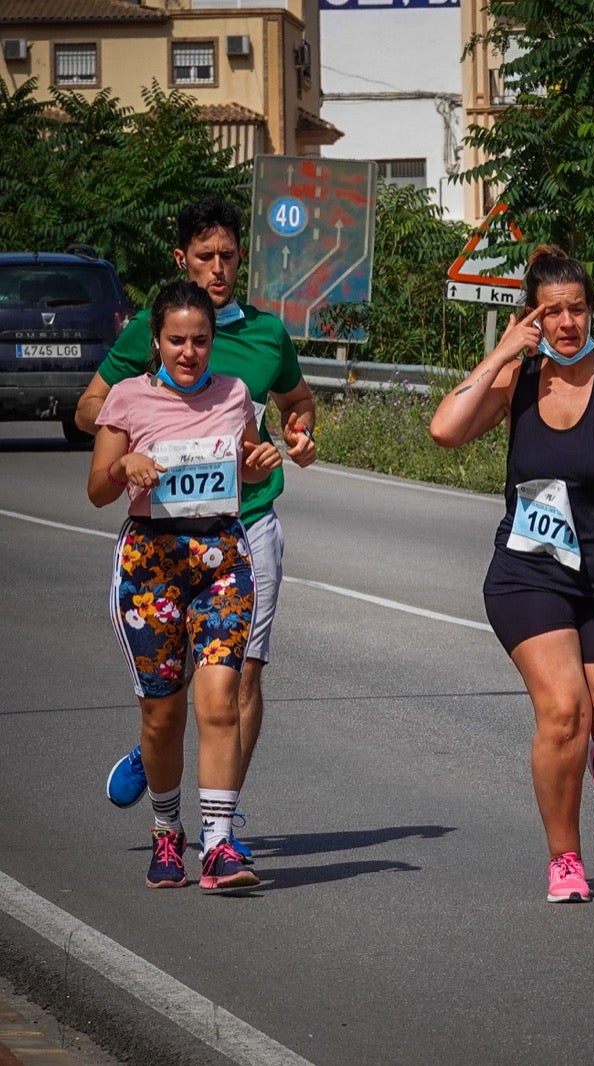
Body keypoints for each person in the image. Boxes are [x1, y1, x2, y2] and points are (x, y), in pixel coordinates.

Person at [429, 245, 594, 903]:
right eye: (552, 312)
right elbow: (444, 430)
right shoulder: (516, 383)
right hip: (531, 574)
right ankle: (565, 859)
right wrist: (500, 355)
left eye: (577, 308)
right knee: (562, 712)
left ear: (592, 311)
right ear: (533, 319)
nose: (568, 322)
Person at [76, 196, 317, 857]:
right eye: (205, 256)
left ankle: (219, 825)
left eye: (228, 257)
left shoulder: (267, 336)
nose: (218, 268)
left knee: (240, 676)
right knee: (172, 690)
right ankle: (159, 745)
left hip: (247, 524)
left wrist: (295, 435)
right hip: (162, 537)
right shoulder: (156, 332)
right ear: (182, 258)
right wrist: (133, 448)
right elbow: (90, 408)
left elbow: (297, 402)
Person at [88, 279, 283, 892]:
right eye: (177, 341)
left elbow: (246, 462)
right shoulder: (127, 398)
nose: (190, 352)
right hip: (151, 564)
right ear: (157, 341)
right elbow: (96, 488)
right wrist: (123, 466)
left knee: (222, 698)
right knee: (161, 715)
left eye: (200, 340)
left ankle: (219, 845)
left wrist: (257, 463)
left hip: (222, 557)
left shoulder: (234, 393)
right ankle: (167, 833)